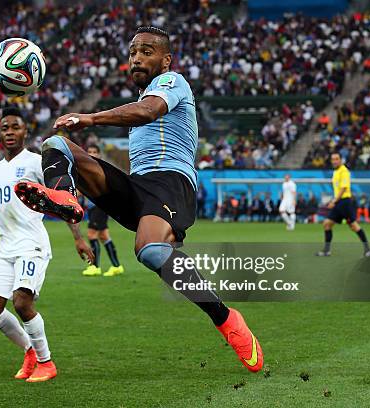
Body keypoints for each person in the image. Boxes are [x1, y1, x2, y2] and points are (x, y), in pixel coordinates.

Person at [14, 26, 263, 372]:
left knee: (150, 251)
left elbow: (147, 112)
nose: (136, 58)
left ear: (166, 60)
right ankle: (66, 197)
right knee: (55, 145)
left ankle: (225, 318)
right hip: (139, 186)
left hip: (172, 184)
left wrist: (89, 118)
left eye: (146, 52)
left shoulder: (174, 83)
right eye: (132, 53)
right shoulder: (145, 97)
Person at [0, 107, 94, 383]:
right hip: (5, 247)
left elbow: (62, 200)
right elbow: (1, 213)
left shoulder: (37, 163)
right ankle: (30, 351)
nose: (10, 132)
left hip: (31, 244)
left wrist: (78, 237)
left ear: (25, 131)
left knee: (22, 302)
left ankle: (47, 363)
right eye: (5, 128)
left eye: (15, 127)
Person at [80, 144, 125, 277]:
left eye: (95, 151)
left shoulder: (99, 168)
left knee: (91, 234)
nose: (92, 153)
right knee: (103, 236)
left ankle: (95, 267)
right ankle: (117, 266)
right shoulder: (86, 168)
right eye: (90, 151)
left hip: (100, 205)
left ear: (99, 154)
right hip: (95, 205)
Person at [316, 153, 370, 257]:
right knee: (327, 224)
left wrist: (334, 201)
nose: (334, 161)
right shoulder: (336, 172)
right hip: (339, 202)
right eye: (333, 159)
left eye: (337, 159)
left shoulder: (344, 171)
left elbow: (343, 188)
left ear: (341, 160)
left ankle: (367, 249)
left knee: (353, 226)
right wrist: (335, 200)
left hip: (345, 202)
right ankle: (326, 251)